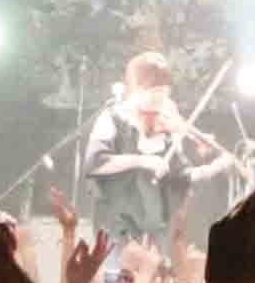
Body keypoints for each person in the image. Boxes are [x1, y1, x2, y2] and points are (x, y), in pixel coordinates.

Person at [87, 50, 202, 248]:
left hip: (156, 230)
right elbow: (96, 162)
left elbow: (180, 174)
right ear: (137, 89)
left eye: (165, 93)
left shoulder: (165, 122)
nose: (161, 100)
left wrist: (198, 147)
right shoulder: (113, 117)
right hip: (117, 225)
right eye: (155, 92)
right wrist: (142, 160)